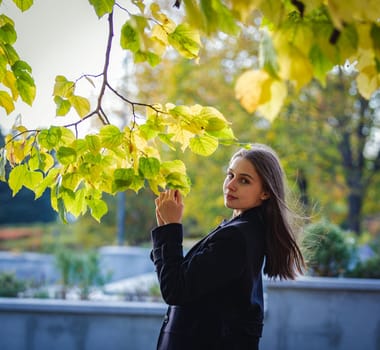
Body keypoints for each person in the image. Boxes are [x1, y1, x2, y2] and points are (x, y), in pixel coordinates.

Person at [150, 143, 305, 350]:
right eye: (230, 175)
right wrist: (165, 227)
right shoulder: (243, 231)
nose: (230, 185)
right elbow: (181, 281)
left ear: (265, 192)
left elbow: (175, 291)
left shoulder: (237, 238)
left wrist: (170, 228)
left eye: (244, 180)